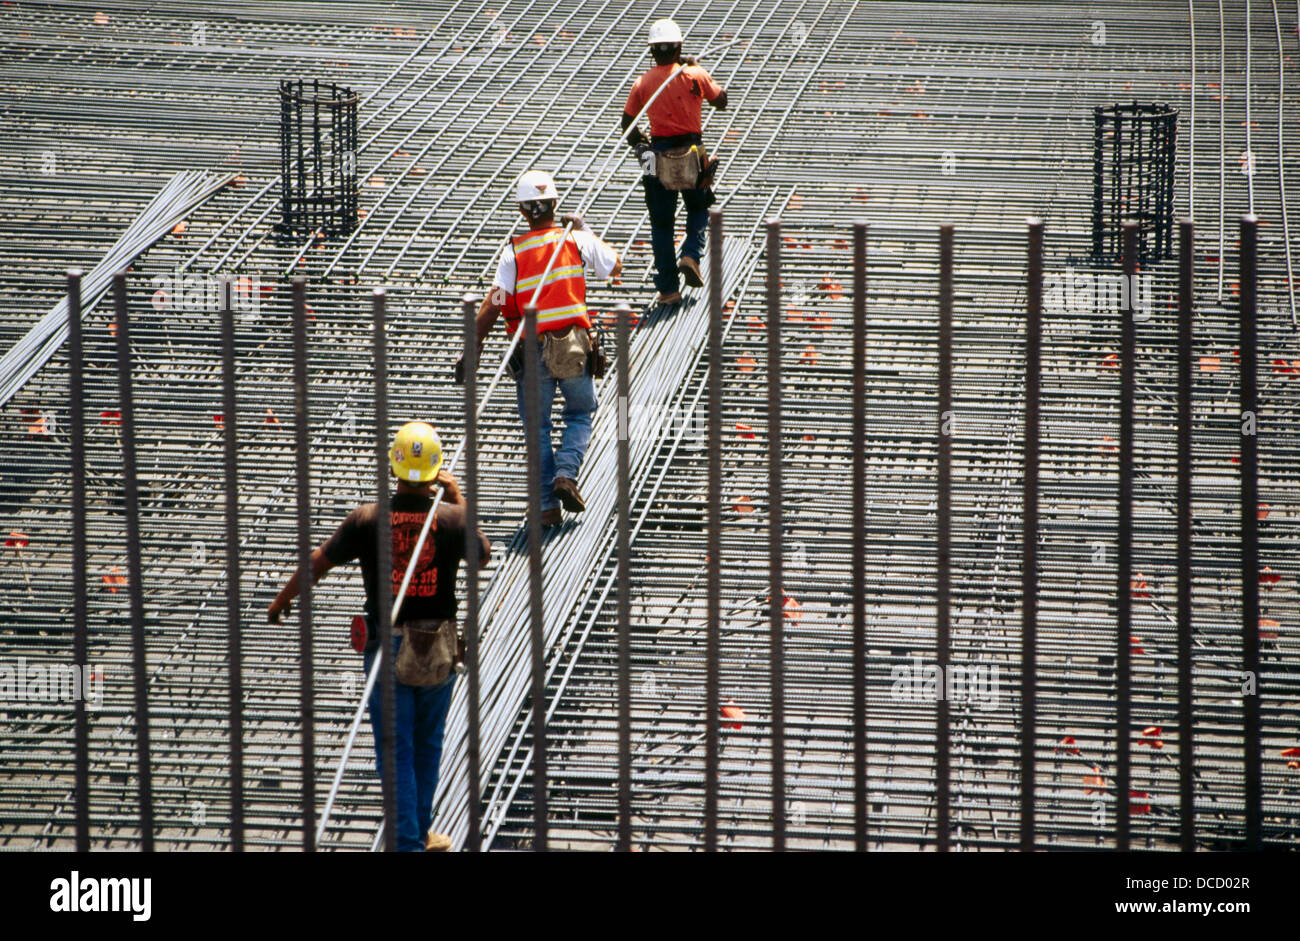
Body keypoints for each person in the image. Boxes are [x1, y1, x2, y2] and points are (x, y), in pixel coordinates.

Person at [267, 420, 490, 852]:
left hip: (388, 648)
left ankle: (409, 841)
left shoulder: (367, 519)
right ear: (436, 471)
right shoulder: (452, 518)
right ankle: (417, 835)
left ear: (394, 468)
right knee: (427, 745)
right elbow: (482, 554)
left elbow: (317, 563)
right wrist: (458, 499)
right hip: (437, 651)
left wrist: (281, 600)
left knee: (396, 750)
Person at [458, 169, 621, 527]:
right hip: (574, 347)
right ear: (555, 204)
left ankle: (547, 507)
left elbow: (496, 302)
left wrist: (473, 348)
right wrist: (585, 229)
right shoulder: (575, 240)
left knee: (538, 428)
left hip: (531, 351)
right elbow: (614, 266)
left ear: (522, 211)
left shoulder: (513, 254)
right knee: (580, 414)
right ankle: (566, 473)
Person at [621, 17, 727, 305]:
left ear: (652, 51)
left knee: (661, 224)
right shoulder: (694, 75)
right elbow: (722, 100)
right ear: (678, 46)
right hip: (691, 151)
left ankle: (668, 289)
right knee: (698, 206)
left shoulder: (643, 83)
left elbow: (627, 125)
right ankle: (691, 254)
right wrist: (692, 68)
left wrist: (644, 148)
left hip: (658, 154)